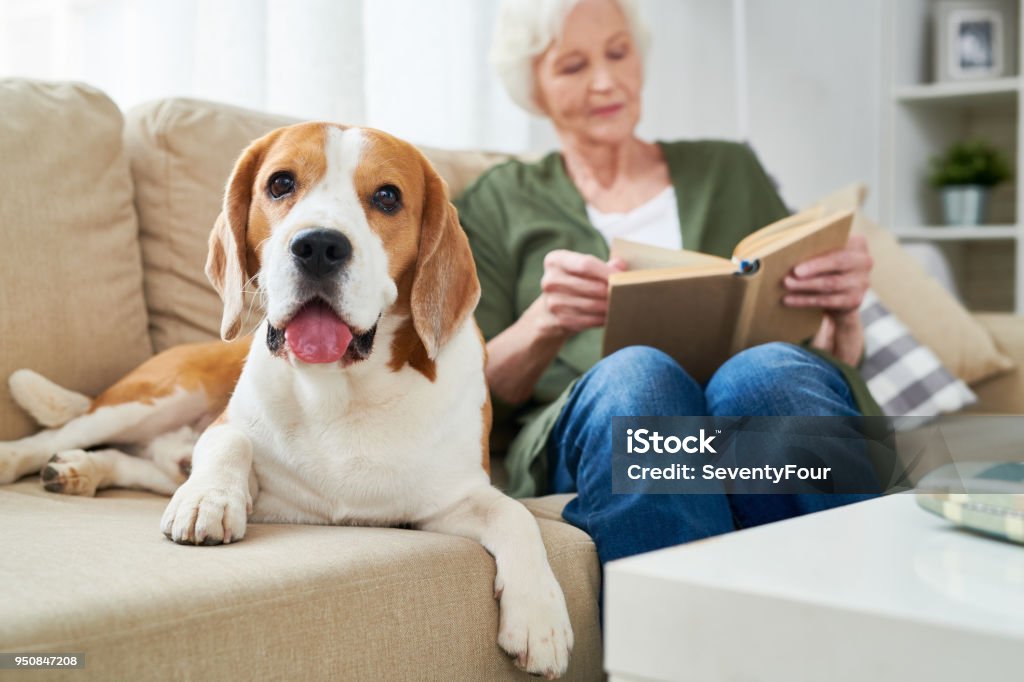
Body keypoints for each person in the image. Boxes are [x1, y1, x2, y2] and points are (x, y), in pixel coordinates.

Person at [453, 0, 879, 566]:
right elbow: (461, 388)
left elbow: (826, 357)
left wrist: (842, 314)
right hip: (598, 416)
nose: (605, 81)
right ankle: (674, 647)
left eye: (618, 53)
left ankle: (875, 623)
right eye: (573, 66)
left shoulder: (730, 168)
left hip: (755, 402)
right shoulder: (499, 200)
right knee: (640, 374)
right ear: (533, 86)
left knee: (768, 372)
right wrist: (544, 323)